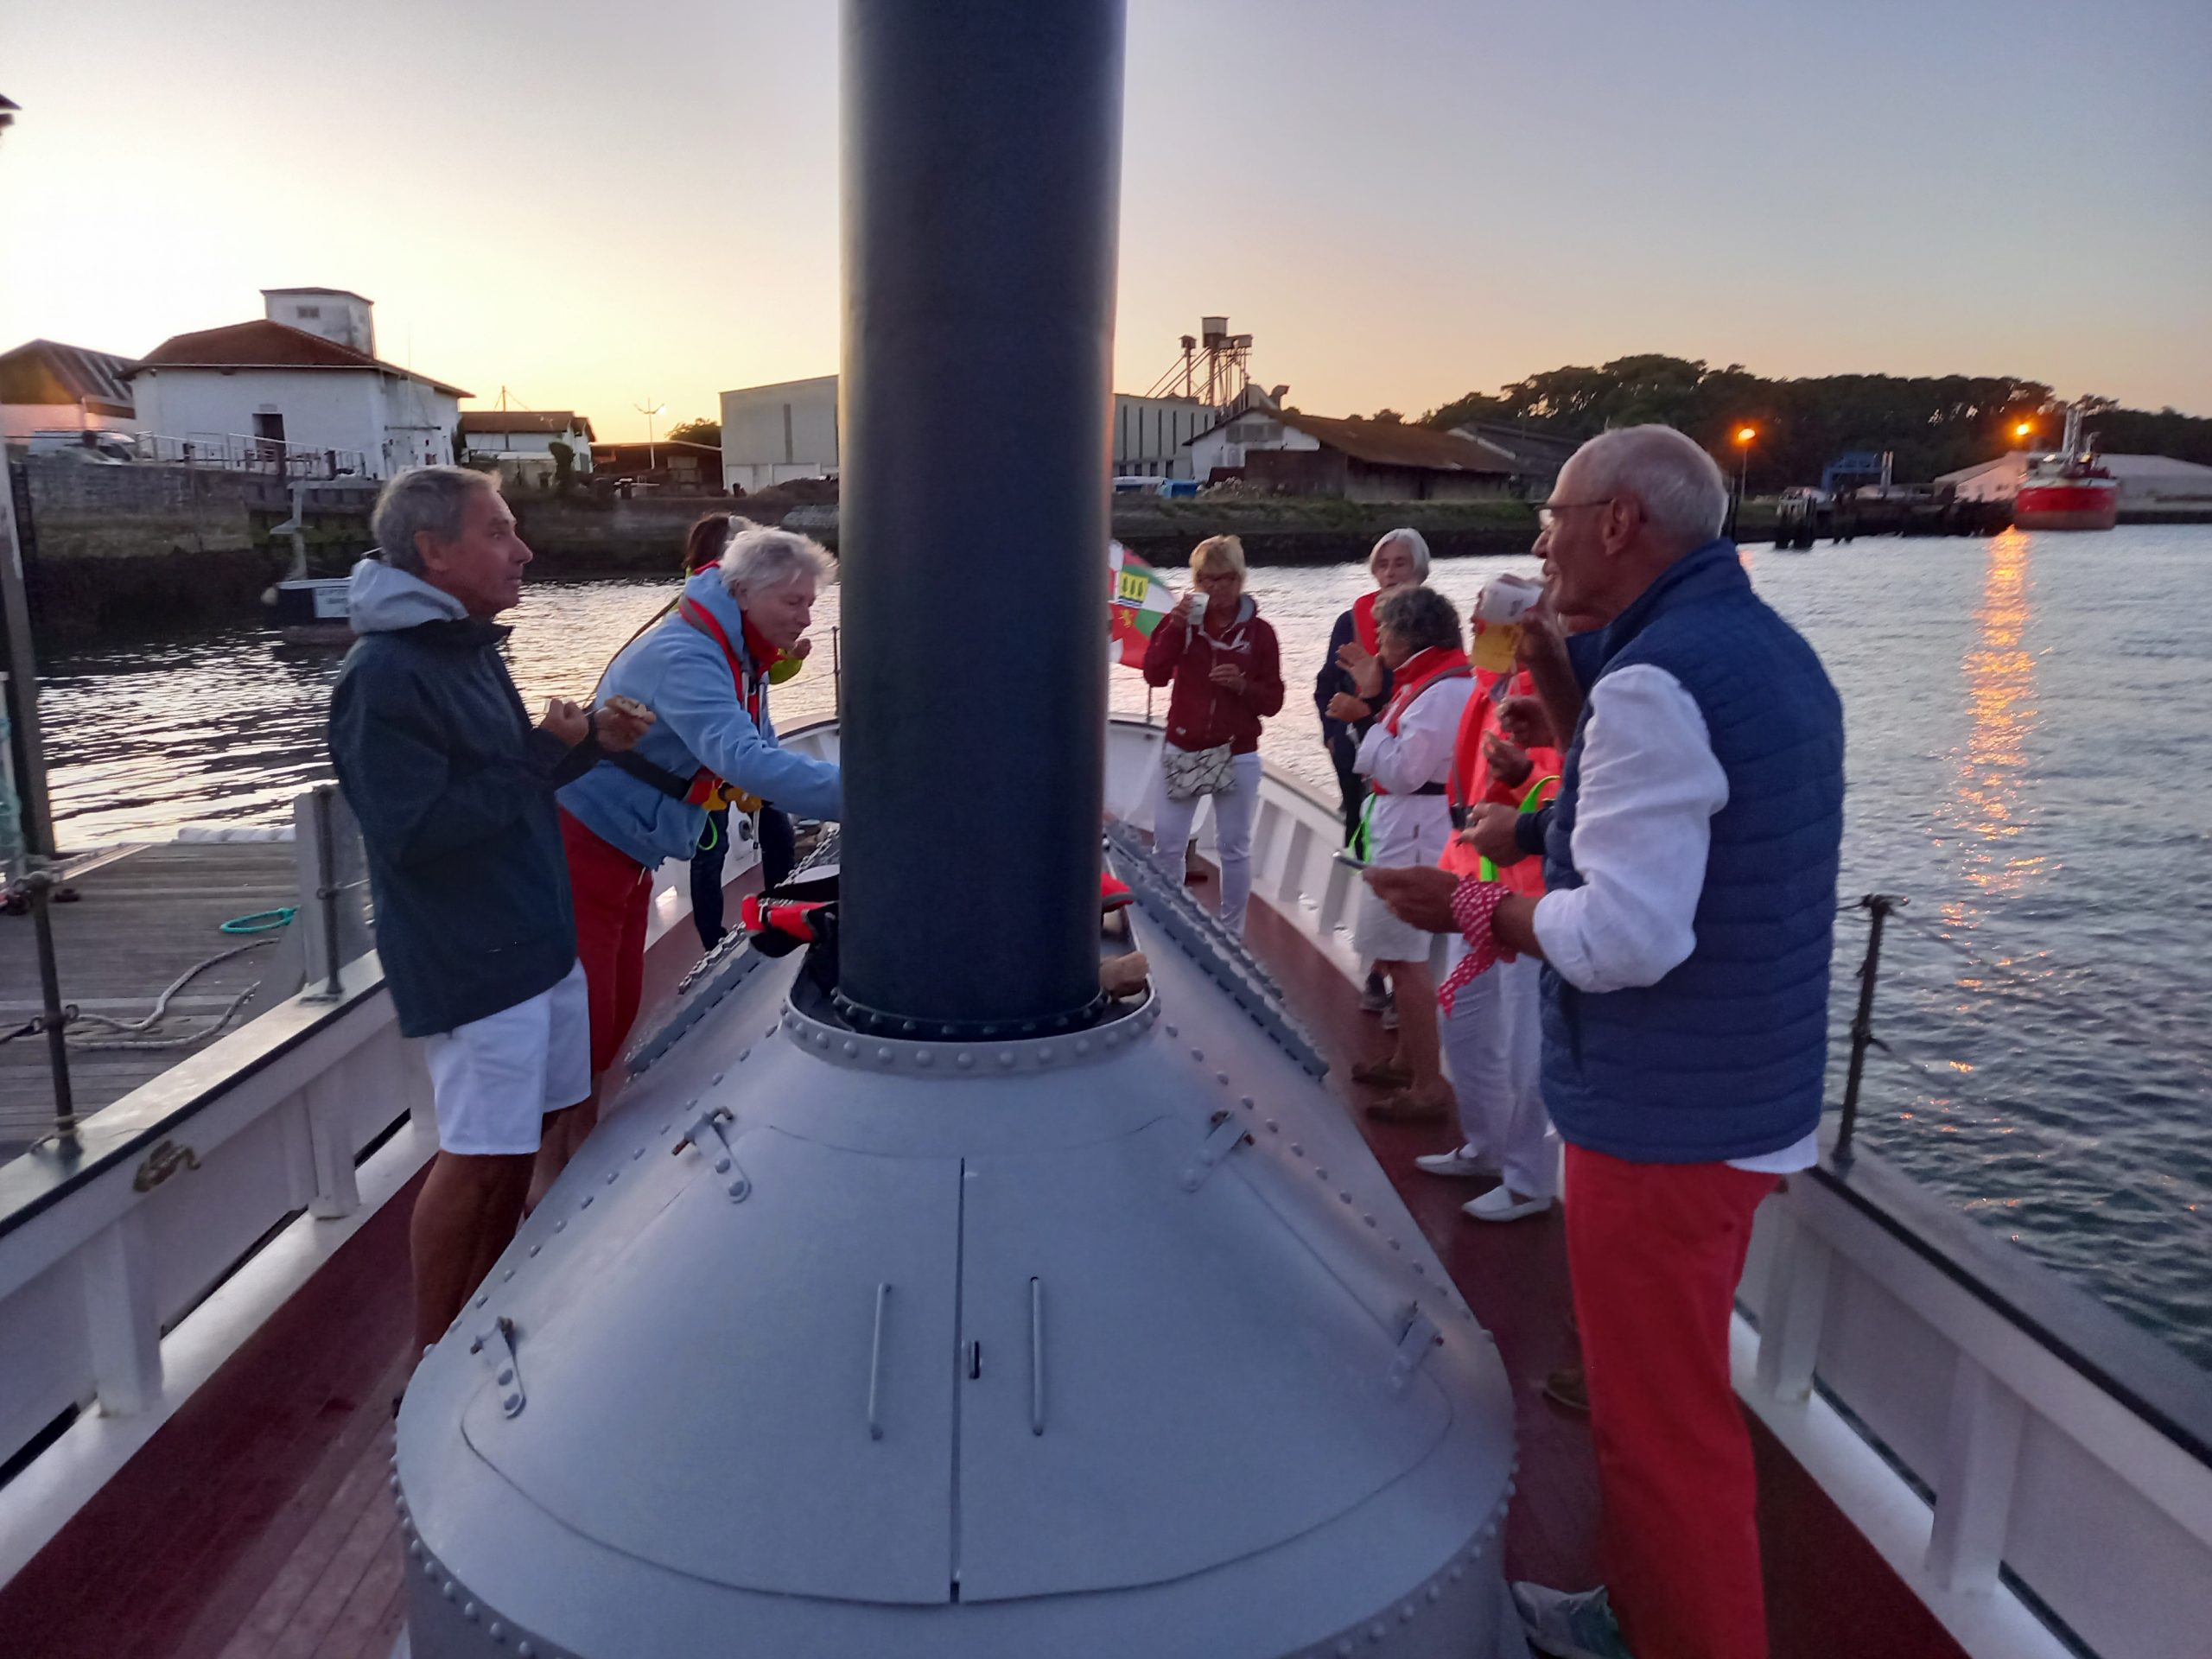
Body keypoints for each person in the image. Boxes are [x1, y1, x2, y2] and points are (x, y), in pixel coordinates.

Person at [1367, 425, 1845, 1659]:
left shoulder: (1657, 682)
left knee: (1660, 1430)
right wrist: (1562, 701)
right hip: (1741, 1093)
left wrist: (1475, 907)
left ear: (1620, 523)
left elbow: (1628, 934)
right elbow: (1663, 832)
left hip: (1665, 1117)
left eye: (1554, 519)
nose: (1542, 545)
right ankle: (1636, 1611)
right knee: (1659, 1405)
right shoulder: (1765, 651)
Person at [327, 466, 654, 1356]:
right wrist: (542, 750)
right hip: (474, 959)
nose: (524, 551)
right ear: (434, 551)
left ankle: (484, 1314)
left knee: (523, 1139)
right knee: (477, 1159)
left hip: (534, 943)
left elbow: (504, 784)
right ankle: (433, 1361)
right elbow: (413, 833)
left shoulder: (463, 649)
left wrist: (586, 744)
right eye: (499, 531)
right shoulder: (385, 675)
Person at [552, 523, 842, 1192]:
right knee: (584, 1035)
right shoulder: (685, 656)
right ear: (742, 592)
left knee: (611, 1024)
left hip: (629, 851)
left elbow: (760, 746)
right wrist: (882, 800)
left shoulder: (742, 654)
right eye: (793, 602)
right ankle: (547, 1191)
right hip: (581, 846)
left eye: (810, 602)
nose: (806, 617)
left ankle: (570, 1169)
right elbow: (745, 761)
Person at [1414, 595, 1564, 1220]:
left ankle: (1529, 1180)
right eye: (1477, 613)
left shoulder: (1554, 700)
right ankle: (1486, 1145)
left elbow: (1564, 797)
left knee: (1529, 1048)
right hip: (1473, 884)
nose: (1476, 623)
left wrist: (1524, 775)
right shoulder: (1484, 689)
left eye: (1491, 615)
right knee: (1464, 1023)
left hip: (1530, 898)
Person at [1337, 583, 1474, 1122]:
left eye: (1386, 631)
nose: (1379, 640)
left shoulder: (1438, 693)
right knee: (1403, 957)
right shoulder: (1436, 682)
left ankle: (1427, 1084)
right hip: (1414, 827)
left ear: (1409, 635)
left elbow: (1404, 771)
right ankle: (1407, 1060)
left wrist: (1363, 720)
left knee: (1403, 959)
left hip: (1413, 833)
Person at [1143, 534, 1284, 935]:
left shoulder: (1260, 634)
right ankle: (1171, 926)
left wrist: (1242, 686)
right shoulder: (1181, 624)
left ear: (1239, 580)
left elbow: (1273, 702)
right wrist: (1174, 628)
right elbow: (1154, 675)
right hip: (1186, 746)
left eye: (1223, 579)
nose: (1213, 588)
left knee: (1233, 848)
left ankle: (1232, 932)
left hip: (1236, 751)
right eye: (1203, 579)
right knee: (1168, 845)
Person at [672, 513, 800, 949]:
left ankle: (782, 912)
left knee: (778, 832)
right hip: (710, 758)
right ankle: (713, 941)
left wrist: (791, 656)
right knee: (710, 851)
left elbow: (768, 672)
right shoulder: (691, 617)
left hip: (758, 746)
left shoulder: (747, 608)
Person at [1317, 528, 1427, 1021]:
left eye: (1400, 563)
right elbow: (1325, 685)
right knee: (1366, 852)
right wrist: (1331, 733)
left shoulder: (1432, 624)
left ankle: (1391, 975)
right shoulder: (1350, 621)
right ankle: (1380, 969)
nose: (1389, 573)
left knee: (1403, 863)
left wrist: (1372, 702)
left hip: (1412, 764)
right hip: (1356, 757)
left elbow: (1436, 687)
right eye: (1382, 564)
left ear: (1420, 570)